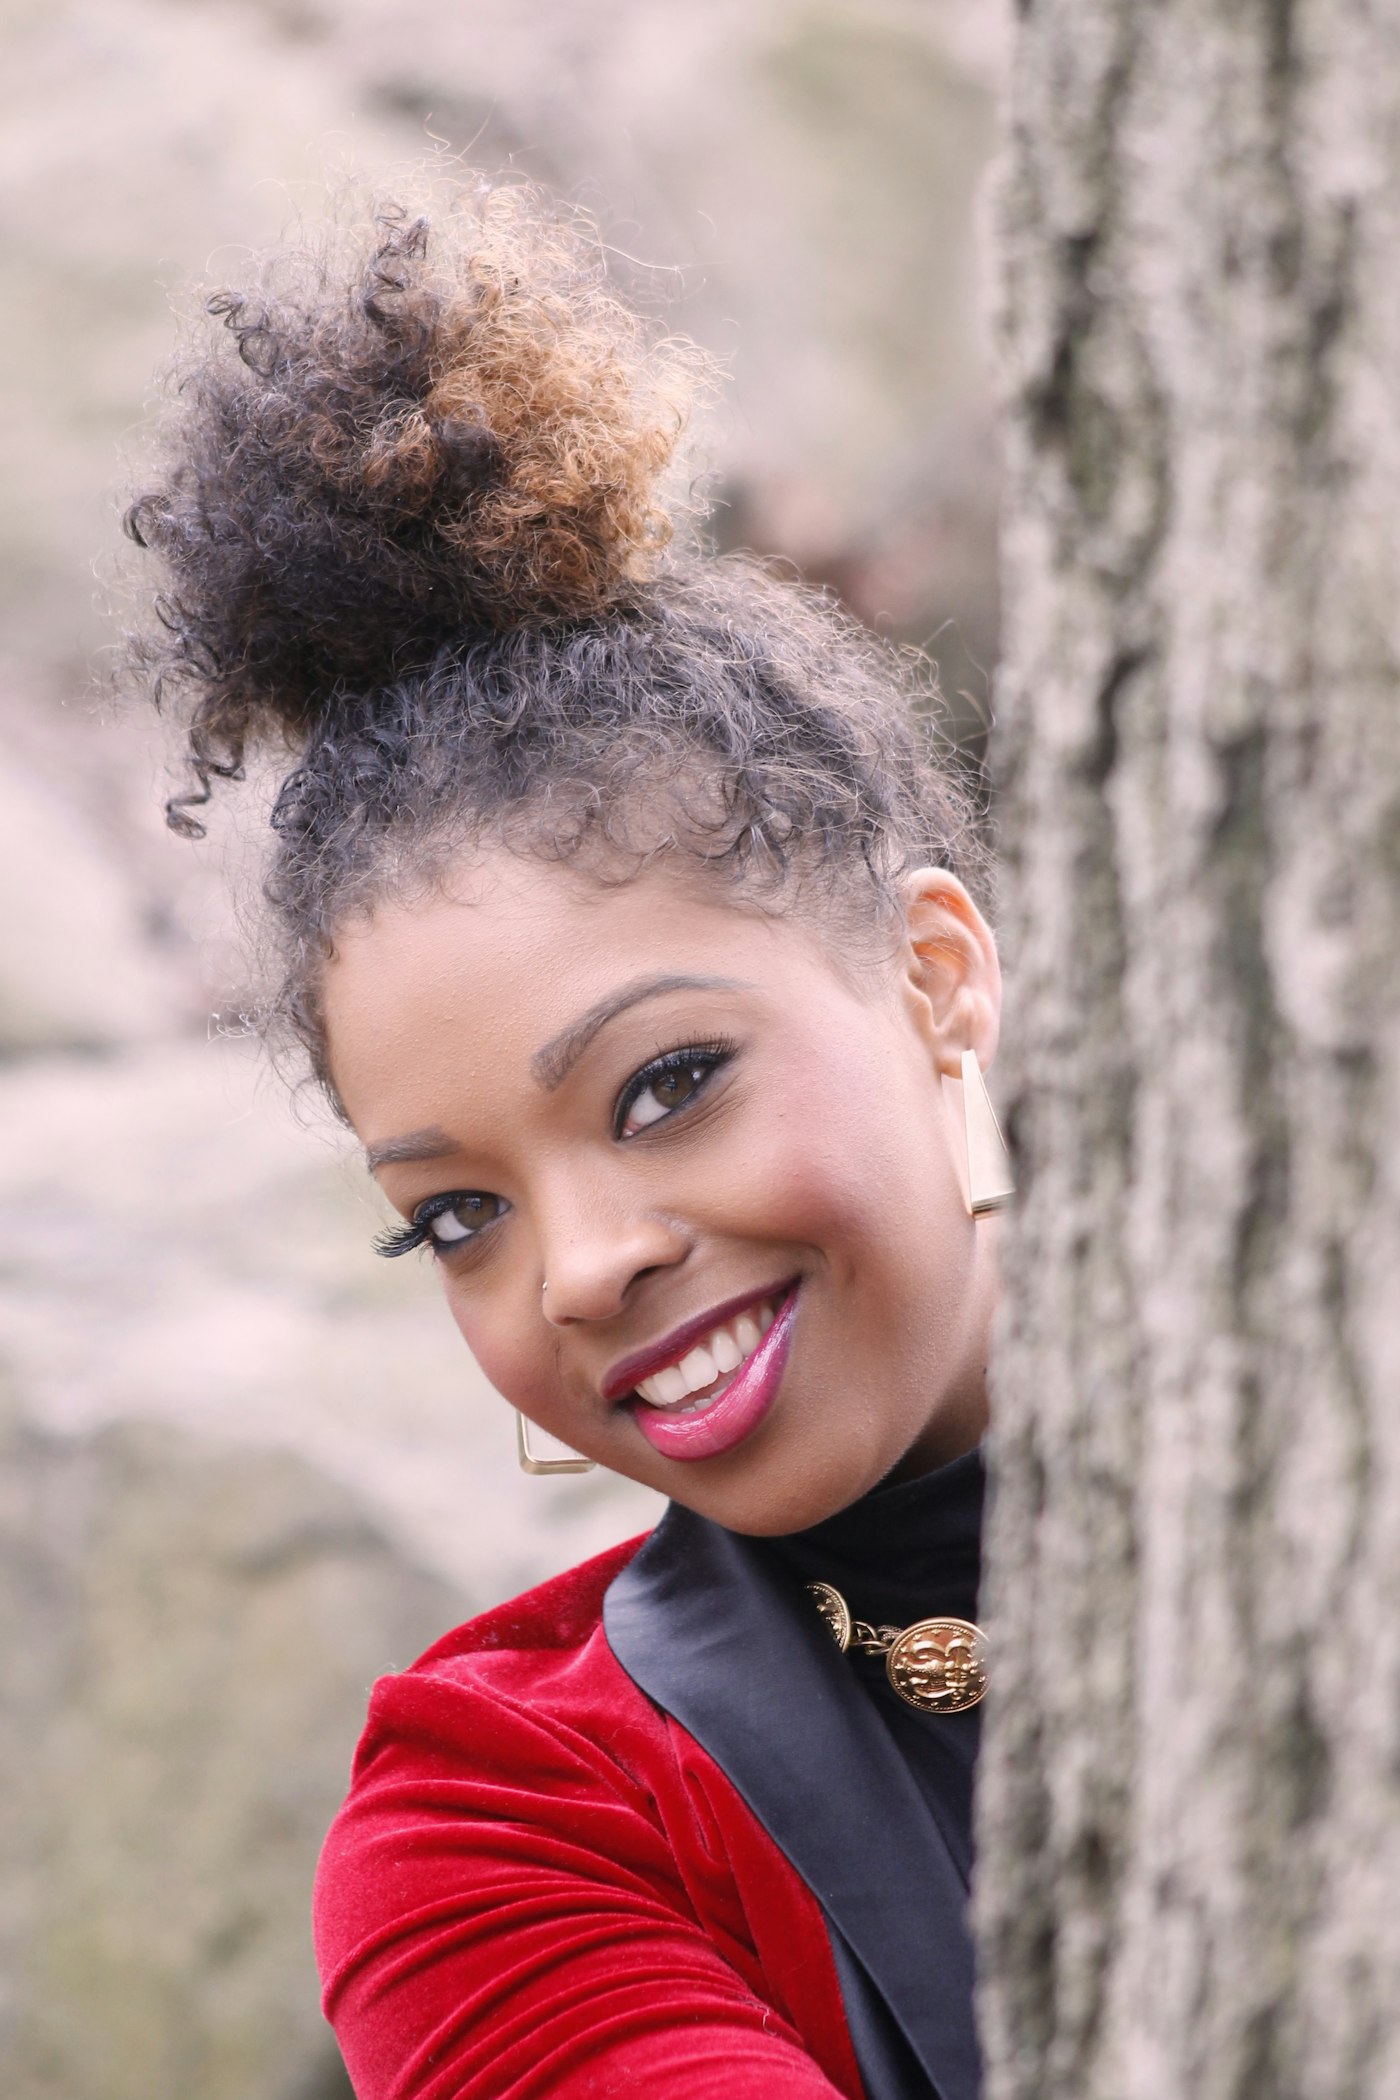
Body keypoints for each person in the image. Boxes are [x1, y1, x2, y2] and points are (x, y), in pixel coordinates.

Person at [125, 183, 1010, 2100]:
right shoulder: (495, 1826)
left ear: (937, 981)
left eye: (666, 1085)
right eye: (456, 1214)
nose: (584, 1268)